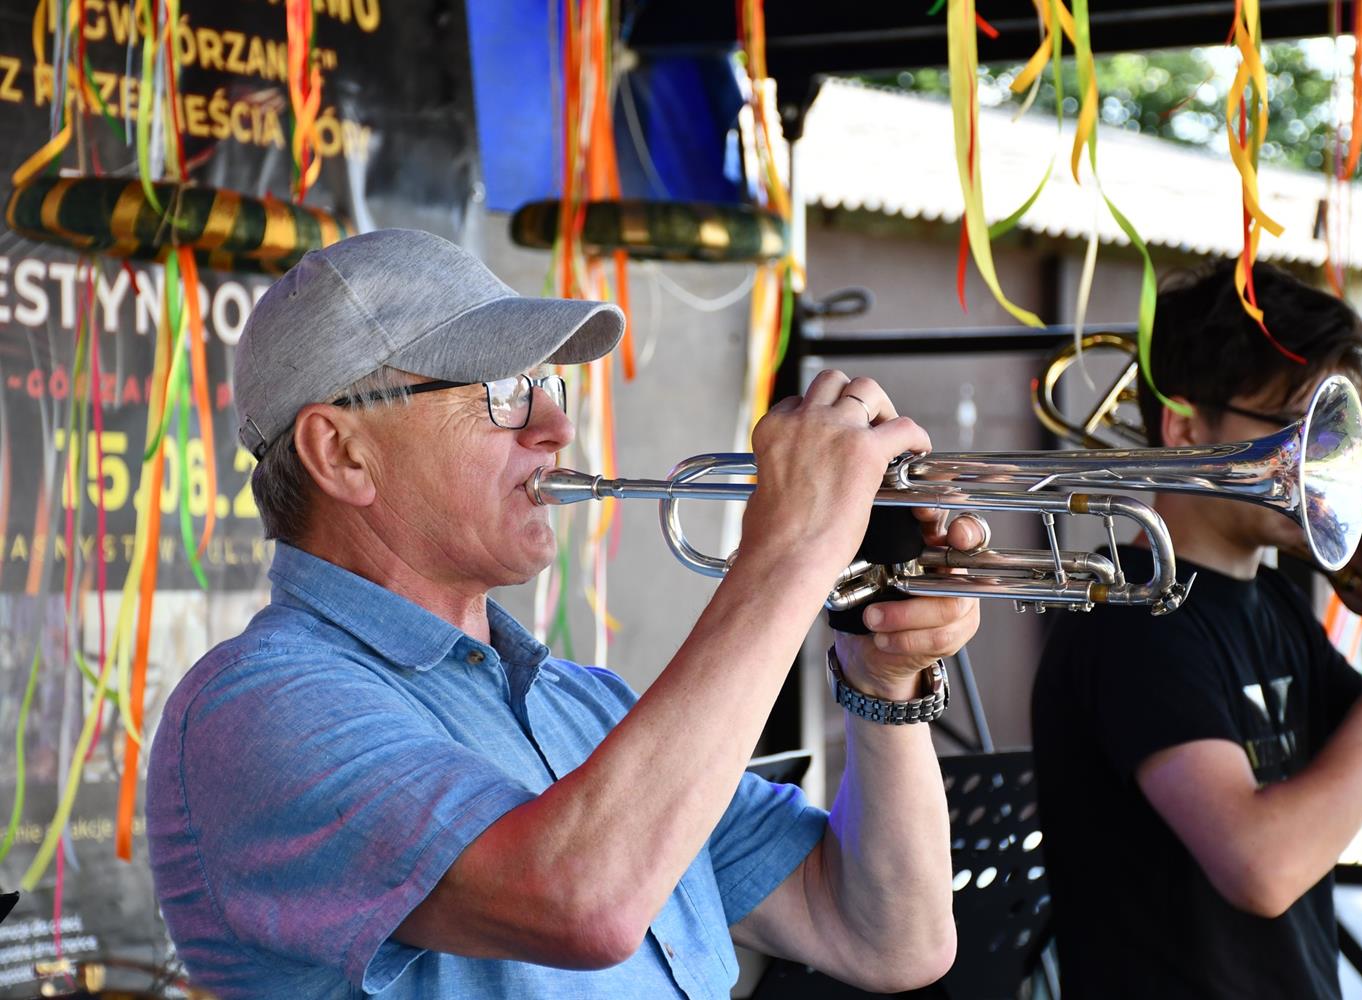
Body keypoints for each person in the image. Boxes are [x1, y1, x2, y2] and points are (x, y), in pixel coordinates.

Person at [145, 229, 979, 998]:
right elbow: (584, 901)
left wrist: (883, 679)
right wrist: (792, 550)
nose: (557, 426)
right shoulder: (255, 710)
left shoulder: (591, 708)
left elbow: (887, 939)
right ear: (342, 453)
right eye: (503, 392)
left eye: (547, 384)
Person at [1030, 261, 1362, 999]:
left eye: (1338, 432)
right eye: (1299, 428)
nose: (1327, 463)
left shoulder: (1271, 604)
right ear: (1184, 426)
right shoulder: (1135, 615)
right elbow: (1260, 868)